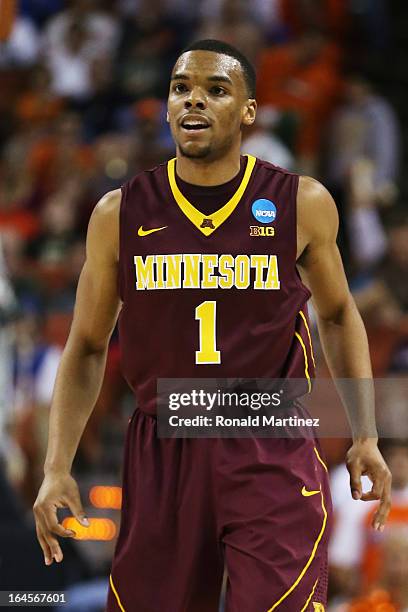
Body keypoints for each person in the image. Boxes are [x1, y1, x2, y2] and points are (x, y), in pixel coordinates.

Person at [33, 39, 391, 612]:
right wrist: (56, 467)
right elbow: (86, 346)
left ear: (248, 110)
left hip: (267, 440)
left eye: (216, 90)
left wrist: (366, 434)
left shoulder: (300, 201)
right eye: (180, 89)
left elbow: (338, 312)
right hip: (164, 443)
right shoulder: (119, 213)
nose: (193, 101)